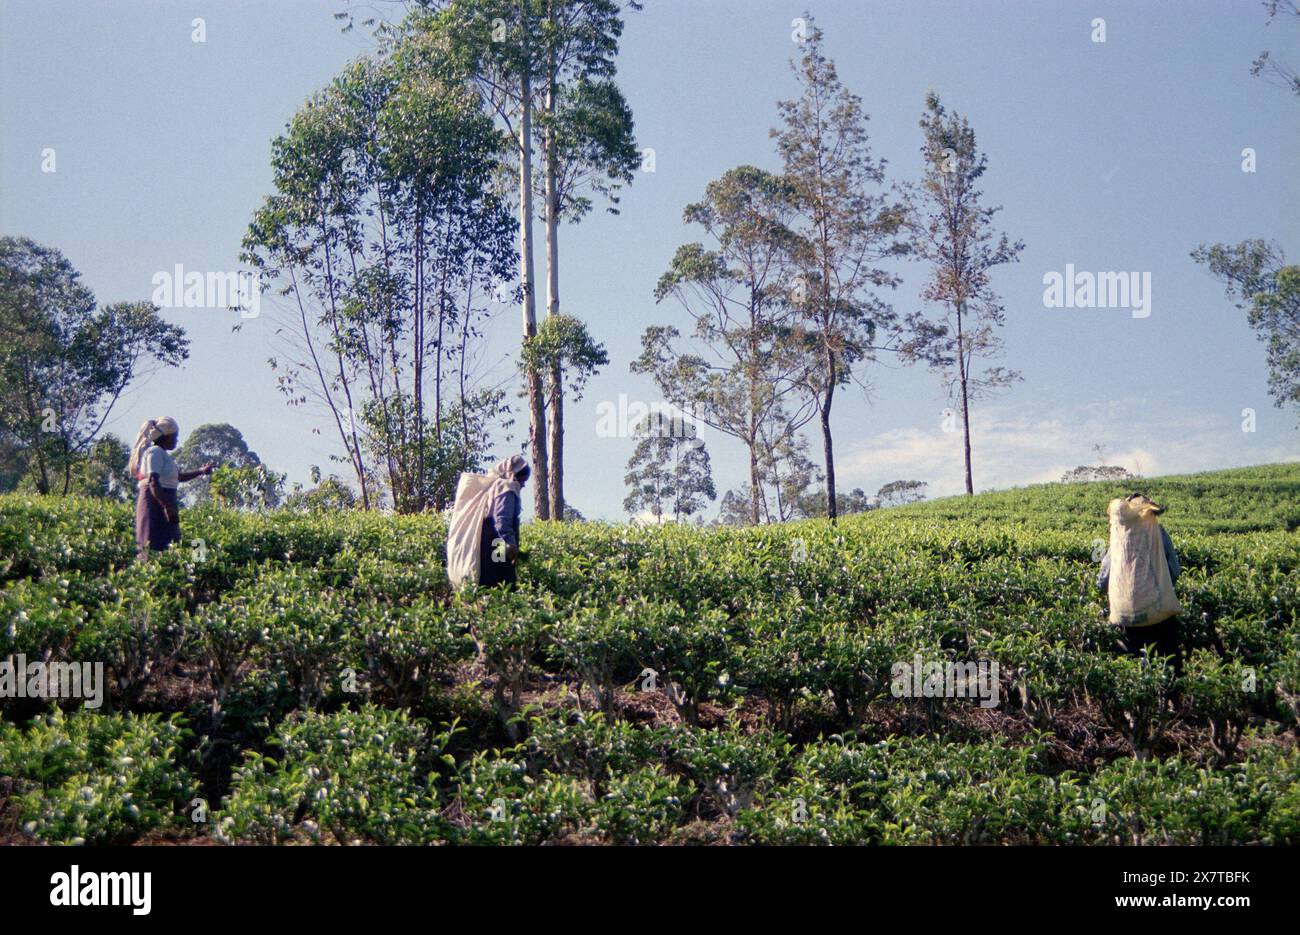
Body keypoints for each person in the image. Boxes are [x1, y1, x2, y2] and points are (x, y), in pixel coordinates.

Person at [1097, 492, 1183, 669]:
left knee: (1133, 668)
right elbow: (1174, 570)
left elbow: (1104, 577)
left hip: (1126, 615)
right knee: (1169, 665)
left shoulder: (1120, 537)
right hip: (1158, 613)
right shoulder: (1158, 533)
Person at [127, 417, 214, 560]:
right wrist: (167, 507)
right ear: (165, 437)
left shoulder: (164, 456)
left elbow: (178, 477)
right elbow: (153, 482)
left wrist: (201, 471)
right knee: (153, 545)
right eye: (175, 437)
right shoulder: (154, 453)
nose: (176, 440)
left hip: (165, 500)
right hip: (155, 503)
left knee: (170, 545)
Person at [478, 455, 529, 588]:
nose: (523, 485)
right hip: (497, 541)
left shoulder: (496, 486)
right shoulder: (507, 487)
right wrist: (510, 544)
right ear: (515, 474)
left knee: (492, 578)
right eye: (523, 480)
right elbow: (502, 519)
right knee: (501, 580)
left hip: (492, 539)